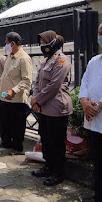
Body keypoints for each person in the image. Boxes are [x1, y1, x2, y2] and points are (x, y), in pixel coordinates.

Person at [78, 20, 102, 202]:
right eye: (101, 32)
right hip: (93, 121)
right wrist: (84, 101)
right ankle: (100, 197)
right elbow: (85, 82)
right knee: (99, 163)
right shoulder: (94, 61)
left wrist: (99, 105)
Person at [30, 31, 72, 186]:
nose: (42, 45)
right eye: (40, 42)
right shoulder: (46, 60)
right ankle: (48, 166)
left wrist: (37, 100)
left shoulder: (61, 60)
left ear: (51, 43)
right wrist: (35, 98)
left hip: (56, 107)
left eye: (44, 42)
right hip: (43, 107)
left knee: (56, 141)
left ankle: (58, 173)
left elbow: (54, 85)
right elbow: (36, 82)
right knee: (46, 139)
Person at [0, 32, 32, 155]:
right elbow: (5, 74)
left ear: (13, 43)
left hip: (16, 98)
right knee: (4, 121)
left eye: (7, 43)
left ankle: (17, 147)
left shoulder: (24, 59)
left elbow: (27, 80)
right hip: (4, 95)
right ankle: (6, 142)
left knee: (17, 124)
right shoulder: (9, 56)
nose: (5, 46)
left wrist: (13, 90)